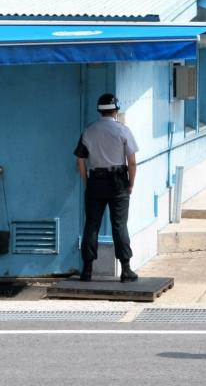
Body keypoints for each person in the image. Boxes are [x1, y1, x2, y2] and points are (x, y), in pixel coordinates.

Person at [74, 93, 139, 283]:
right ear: (116, 110)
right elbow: (132, 162)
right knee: (119, 224)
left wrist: (87, 182)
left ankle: (87, 270)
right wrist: (130, 183)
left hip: (95, 181)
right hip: (118, 181)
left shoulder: (89, 131)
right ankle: (126, 270)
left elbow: (80, 160)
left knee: (92, 224)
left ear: (99, 110)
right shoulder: (123, 131)